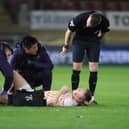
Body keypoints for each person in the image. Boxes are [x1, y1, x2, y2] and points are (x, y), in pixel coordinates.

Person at [60, 11, 110, 103]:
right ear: (89, 18)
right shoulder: (79, 19)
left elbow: (104, 31)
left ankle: (91, 97)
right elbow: (69, 31)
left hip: (93, 41)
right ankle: (74, 96)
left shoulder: (104, 21)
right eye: (87, 23)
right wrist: (66, 46)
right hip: (79, 41)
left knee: (94, 69)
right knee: (76, 67)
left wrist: (98, 39)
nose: (87, 26)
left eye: (90, 26)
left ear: (97, 23)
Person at [0, 71, 92, 106]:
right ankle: (7, 91)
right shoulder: (72, 97)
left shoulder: (70, 103)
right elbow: (89, 100)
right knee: (13, 73)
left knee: (7, 99)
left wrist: (61, 91)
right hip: (36, 93)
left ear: (80, 99)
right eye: (79, 89)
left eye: (79, 92)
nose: (77, 90)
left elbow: (51, 103)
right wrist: (89, 100)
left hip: (37, 100)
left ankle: (7, 93)